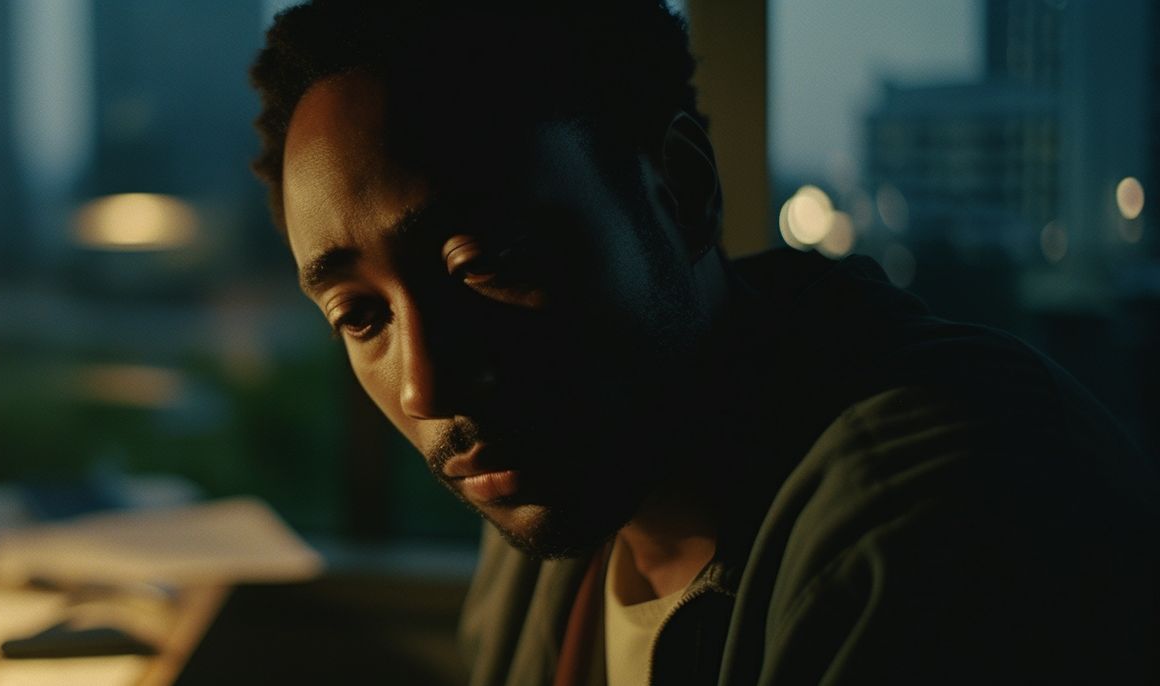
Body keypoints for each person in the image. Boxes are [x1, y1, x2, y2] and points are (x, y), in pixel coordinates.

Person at [248, 1, 1159, 684]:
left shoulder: (940, 515)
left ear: (678, 191)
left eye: (483, 264)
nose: (426, 386)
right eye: (361, 317)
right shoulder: (556, 515)